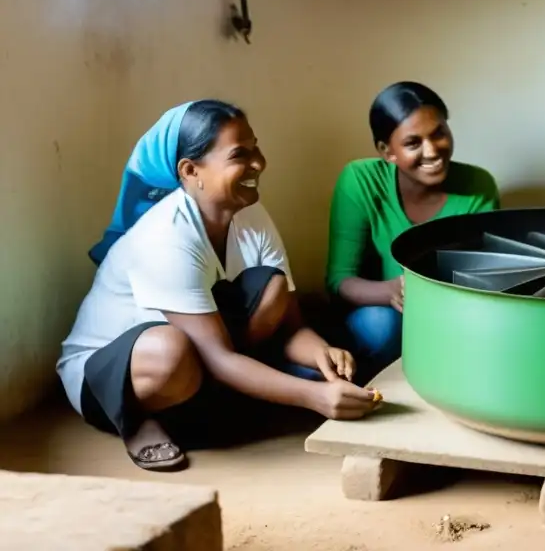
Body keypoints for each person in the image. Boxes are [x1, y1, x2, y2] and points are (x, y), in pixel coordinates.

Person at [57, 99, 379, 473]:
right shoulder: (165, 236)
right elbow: (219, 358)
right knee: (171, 352)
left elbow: (291, 322)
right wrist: (315, 397)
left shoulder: (249, 210)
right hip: (108, 378)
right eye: (240, 154)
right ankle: (137, 418)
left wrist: (323, 353)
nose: (258, 163)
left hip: (205, 358)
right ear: (192, 170)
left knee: (271, 286)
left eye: (256, 147)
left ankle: (219, 398)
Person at [325, 81, 500, 378]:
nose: (432, 151)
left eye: (439, 134)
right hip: (380, 317)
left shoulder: (478, 187)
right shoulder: (360, 180)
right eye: (413, 143)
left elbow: (485, 277)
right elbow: (339, 282)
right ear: (386, 151)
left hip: (450, 317)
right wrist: (391, 291)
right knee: (384, 326)